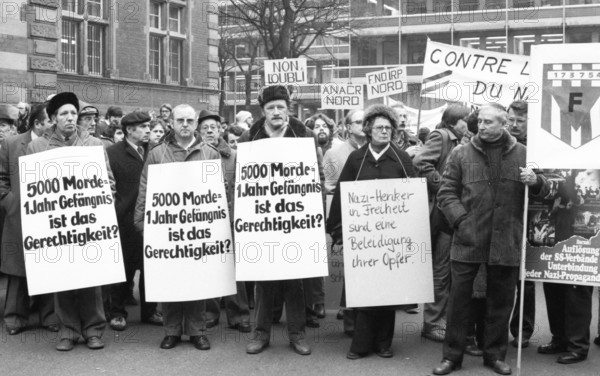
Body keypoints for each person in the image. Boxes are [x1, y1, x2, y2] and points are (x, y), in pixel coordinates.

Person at [432, 103, 546, 375]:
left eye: (488, 122)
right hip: (467, 240)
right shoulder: (461, 153)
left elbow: (542, 193)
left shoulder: (524, 154)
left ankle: (494, 355)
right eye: (480, 121)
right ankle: (452, 357)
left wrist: (537, 182)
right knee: (459, 301)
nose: (481, 126)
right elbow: (446, 194)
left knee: (501, 301)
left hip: (506, 240)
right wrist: (462, 222)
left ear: (504, 123)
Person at [27, 92, 116, 351]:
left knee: (90, 276)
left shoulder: (93, 145)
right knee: (62, 277)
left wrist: (104, 202)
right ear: (53, 118)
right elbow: (33, 190)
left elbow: (107, 181)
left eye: (73, 113)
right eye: (63, 114)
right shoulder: (38, 148)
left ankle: (93, 329)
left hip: (87, 222)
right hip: (56, 225)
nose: (70, 118)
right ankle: (67, 330)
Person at [327, 104, 417, 360]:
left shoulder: (402, 159)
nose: (385, 131)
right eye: (379, 127)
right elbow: (342, 193)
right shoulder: (356, 159)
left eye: (389, 128)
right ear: (367, 130)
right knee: (364, 291)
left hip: (392, 239)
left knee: (388, 292)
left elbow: (414, 198)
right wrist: (338, 229)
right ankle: (360, 344)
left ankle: (383, 343)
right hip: (362, 238)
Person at [239, 85, 320, 356]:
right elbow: (241, 179)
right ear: (262, 112)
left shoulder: (305, 135)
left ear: (289, 110)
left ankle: (297, 334)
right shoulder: (250, 137)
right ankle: (260, 333)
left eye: (281, 108)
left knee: (294, 281)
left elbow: (315, 176)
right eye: (271, 108)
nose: (276, 112)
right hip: (262, 219)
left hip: (295, 218)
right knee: (263, 281)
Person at [134, 104, 220, 350]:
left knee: (196, 279)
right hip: (166, 229)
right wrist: (141, 222)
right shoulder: (157, 154)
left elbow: (219, 193)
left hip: (199, 229)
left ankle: (197, 331)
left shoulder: (209, 154)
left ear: (196, 124)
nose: (185, 124)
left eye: (189, 120)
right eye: (180, 120)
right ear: (171, 122)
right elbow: (145, 187)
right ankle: (171, 330)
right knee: (170, 279)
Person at [413, 104, 471, 343]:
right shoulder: (442, 136)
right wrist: (442, 186)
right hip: (442, 214)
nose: (468, 123)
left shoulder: (461, 140)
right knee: (441, 270)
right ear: (454, 121)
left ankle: (441, 320)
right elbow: (420, 162)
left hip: (452, 214)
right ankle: (432, 322)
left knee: (448, 270)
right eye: (465, 119)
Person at [0, 103, 58, 335]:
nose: (55, 125)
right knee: (17, 267)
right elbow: (1, 177)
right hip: (18, 214)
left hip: (50, 214)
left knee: (48, 264)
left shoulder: (55, 144)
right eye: (50, 121)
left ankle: (49, 315)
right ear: (37, 124)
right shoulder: (12, 143)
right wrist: (10, 201)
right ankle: (15, 317)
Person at [105, 111, 163, 332]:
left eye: (149, 126)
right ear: (130, 130)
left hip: (153, 218)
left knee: (151, 266)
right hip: (124, 220)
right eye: (144, 127)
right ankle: (117, 313)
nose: (148, 130)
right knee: (124, 268)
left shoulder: (156, 152)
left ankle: (150, 311)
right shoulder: (112, 153)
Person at [197, 109, 251, 333]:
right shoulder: (194, 154)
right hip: (205, 220)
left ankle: (239, 315)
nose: (210, 131)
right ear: (199, 131)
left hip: (230, 218)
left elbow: (244, 188)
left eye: (214, 127)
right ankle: (209, 313)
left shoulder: (235, 156)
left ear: (221, 130)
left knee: (234, 269)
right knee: (209, 266)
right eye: (205, 128)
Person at [537, 170, 593, 364]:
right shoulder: (553, 159)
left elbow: (584, 191)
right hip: (554, 226)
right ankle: (559, 338)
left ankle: (578, 345)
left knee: (577, 289)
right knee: (553, 284)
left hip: (582, 230)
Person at [506, 100, 536, 349]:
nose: (514, 125)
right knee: (500, 276)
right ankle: (492, 331)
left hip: (529, 217)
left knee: (526, 279)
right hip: (502, 216)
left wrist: (535, 179)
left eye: (520, 121)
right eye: (511, 120)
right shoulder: (499, 141)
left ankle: (522, 331)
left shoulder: (537, 147)